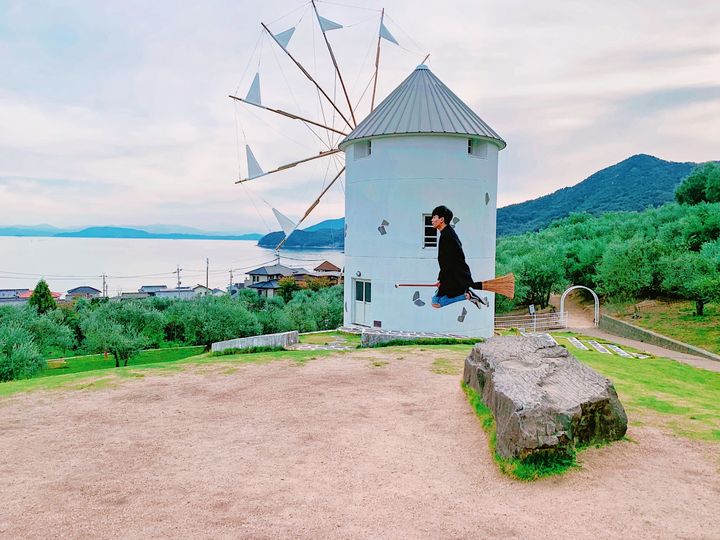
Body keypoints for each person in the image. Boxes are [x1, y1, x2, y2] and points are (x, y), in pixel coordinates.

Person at [430, 205, 487, 309]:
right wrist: (441, 279)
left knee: (436, 302)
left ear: (442, 219)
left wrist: (443, 280)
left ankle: (467, 295)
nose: (432, 220)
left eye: (434, 217)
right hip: (456, 275)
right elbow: (446, 261)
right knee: (435, 301)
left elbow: (447, 262)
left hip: (455, 277)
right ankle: (468, 295)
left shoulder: (446, 236)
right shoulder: (448, 233)